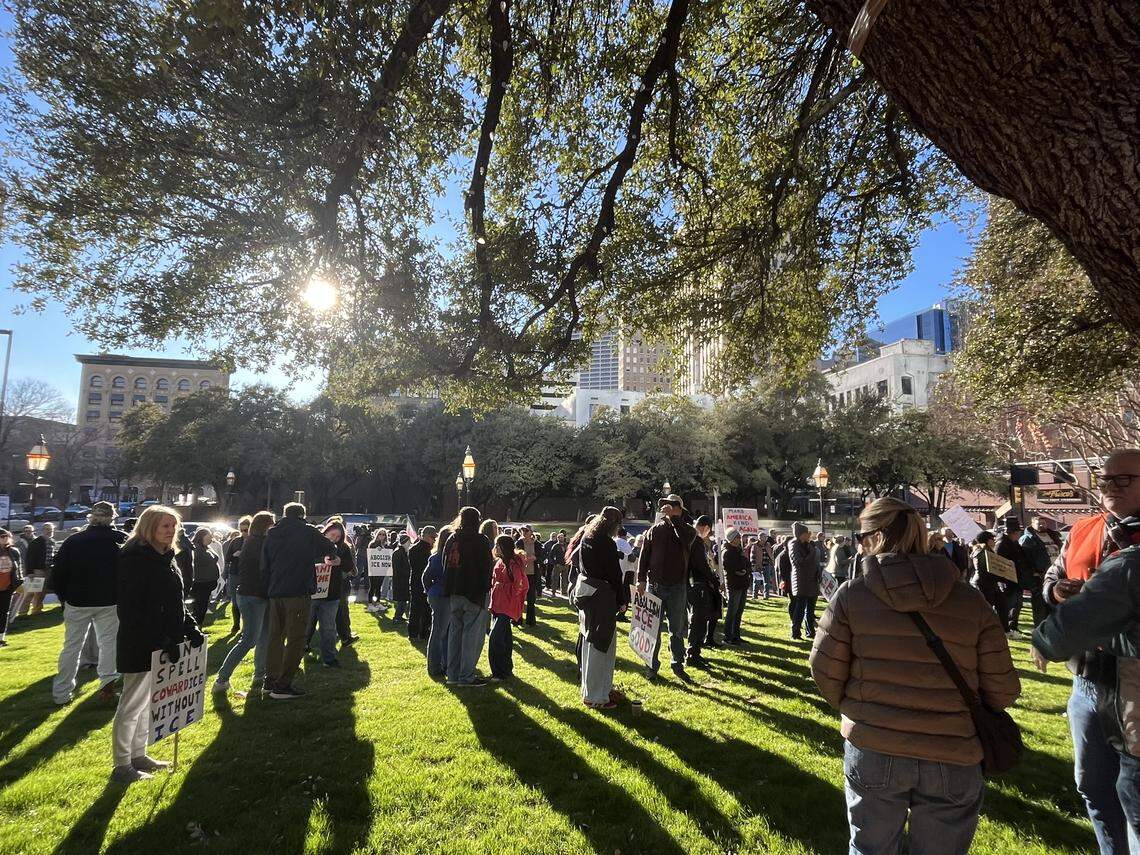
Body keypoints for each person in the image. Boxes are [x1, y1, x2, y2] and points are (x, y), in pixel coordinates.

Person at [809, 497, 1020, 854]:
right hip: (953, 750)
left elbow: (823, 669)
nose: (859, 546)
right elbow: (1003, 690)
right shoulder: (970, 601)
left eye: (861, 537)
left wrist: (857, 708)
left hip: (875, 745)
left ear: (876, 537)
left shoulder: (852, 596)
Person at [1040, 449, 1140, 853]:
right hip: (1087, 681)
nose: (1111, 487)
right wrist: (1056, 590)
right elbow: (1054, 572)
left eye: (1124, 479)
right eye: (1105, 480)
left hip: (1134, 681)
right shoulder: (1083, 529)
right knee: (1094, 788)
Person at [112, 505, 204, 784]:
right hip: (141, 644)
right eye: (165, 526)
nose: (171, 531)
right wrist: (160, 639)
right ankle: (121, 764)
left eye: (174, 526)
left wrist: (189, 627)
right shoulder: (134, 559)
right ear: (149, 527)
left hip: (165, 644)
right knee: (131, 705)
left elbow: (175, 601)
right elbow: (132, 610)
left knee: (146, 704)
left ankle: (139, 755)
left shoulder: (167, 558)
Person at [51, 502, 126, 705]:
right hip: (109, 600)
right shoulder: (120, 540)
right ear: (112, 518)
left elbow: (58, 572)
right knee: (108, 644)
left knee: (72, 646)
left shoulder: (74, 541)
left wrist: (63, 597)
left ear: (91, 518)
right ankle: (107, 687)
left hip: (78, 599)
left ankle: (62, 692)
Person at [261, 502, 338, 699]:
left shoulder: (272, 533)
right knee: (296, 638)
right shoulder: (307, 531)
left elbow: (265, 565)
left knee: (275, 637)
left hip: (275, 591)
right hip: (297, 590)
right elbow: (330, 546)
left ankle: (270, 680)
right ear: (303, 515)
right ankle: (282, 685)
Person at [213, 511, 275, 696]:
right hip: (254, 595)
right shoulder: (260, 544)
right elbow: (265, 570)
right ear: (265, 526)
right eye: (271, 524)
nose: (273, 527)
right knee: (249, 639)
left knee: (264, 635)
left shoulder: (251, 541)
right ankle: (222, 679)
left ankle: (259, 674)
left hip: (253, 594)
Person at [636, 494, 695, 680]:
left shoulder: (688, 530)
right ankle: (651, 666)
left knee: (676, 630)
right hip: (655, 586)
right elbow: (644, 556)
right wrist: (640, 579)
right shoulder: (654, 530)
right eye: (664, 506)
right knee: (652, 629)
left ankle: (678, 664)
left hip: (678, 587)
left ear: (679, 508)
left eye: (671, 506)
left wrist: (675, 520)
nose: (666, 509)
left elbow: (685, 539)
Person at [576, 507, 629, 709]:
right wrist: (622, 600)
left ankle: (598, 691)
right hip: (601, 596)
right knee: (601, 646)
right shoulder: (605, 542)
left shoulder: (587, 537)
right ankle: (596, 696)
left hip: (587, 592)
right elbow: (615, 575)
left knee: (591, 643)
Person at [444, 507, 493, 687]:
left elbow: (445, 564)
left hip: (454, 591)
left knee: (455, 635)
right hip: (474, 594)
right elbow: (486, 568)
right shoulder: (481, 540)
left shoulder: (452, 538)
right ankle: (466, 676)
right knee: (471, 637)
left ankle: (453, 675)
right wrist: (484, 589)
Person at [307, 520, 351, 668]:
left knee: (328, 628)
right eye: (332, 534)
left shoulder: (343, 548)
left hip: (331, 594)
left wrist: (339, 561)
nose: (334, 538)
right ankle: (302, 648)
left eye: (338, 537)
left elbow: (350, 566)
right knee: (307, 625)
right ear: (325, 532)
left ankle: (329, 658)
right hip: (312, 592)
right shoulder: (313, 544)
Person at [488, 534, 528, 681]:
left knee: (495, 638)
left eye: (498, 545)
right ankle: (505, 670)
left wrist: (503, 589)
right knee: (505, 638)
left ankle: (499, 672)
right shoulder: (500, 562)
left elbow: (521, 586)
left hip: (507, 606)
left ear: (504, 547)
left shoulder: (514, 564)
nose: (495, 548)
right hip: (498, 605)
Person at [686, 518, 722, 668]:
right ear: (706, 527)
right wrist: (714, 580)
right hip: (699, 585)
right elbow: (701, 565)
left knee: (699, 621)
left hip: (696, 584)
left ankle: (696, 652)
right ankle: (693, 654)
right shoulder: (696, 540)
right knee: (698, 622)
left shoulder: (692, 538)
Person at [995, 517, 1033, 639]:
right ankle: (1004, 628)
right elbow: (999, 563)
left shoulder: (1013, 543)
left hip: (1016, 580)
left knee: (1017, 604)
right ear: (1014, 532)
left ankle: (1012, 626)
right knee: (1007, 605)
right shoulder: (1002, 544)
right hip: (1007, 580)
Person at [423, 526, 451, 677]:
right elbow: (425, 578)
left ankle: (444, 664)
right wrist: (431, 592)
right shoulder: (443, 557)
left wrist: (429, 591)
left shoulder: (435, 557)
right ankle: (434, 667)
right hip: (441, 596)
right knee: (439, 633)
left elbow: (426, 577)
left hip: (437, 594)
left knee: (443, 632)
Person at [787, 522, 821, 640]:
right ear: (801, 535)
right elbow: (799, 562)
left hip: (812, 580)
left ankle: (810, 631)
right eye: (807, 533)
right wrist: (812, 553)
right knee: (800, 608)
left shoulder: (809, 545)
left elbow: (814, 562)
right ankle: (795, 632)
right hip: (801, 581)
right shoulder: (793, 545)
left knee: (811, 609)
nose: (809, 535)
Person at [1019, 516, 1054, 627]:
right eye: (1038, 523)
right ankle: (1040, 629)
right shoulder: (1028, 539)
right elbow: (1023, 559)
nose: (1041, 525)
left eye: (1043, 523)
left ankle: (1052, 628)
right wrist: (1033, 572)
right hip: (1039, 577)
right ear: (1032, 525)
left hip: (1055, 574)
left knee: (1053, 602)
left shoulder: (1053, 536)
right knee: (1040, 605)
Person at [15, 521, 55, 617]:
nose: (49, 531)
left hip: (47, 570)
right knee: (30, 591)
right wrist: (30, 572)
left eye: (51, 529)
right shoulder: (36, 542)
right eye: (47, 529)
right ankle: (22, 612)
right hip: (37, 570)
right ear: (42, 530)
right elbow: (29, 558)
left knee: (41, 592)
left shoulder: (52, 542)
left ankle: (37, 610)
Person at [222, 516, 251, 634]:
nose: (244, 533)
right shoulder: (236, 541)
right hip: (235, 572)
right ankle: (236, 625)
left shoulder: (254, 541)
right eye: (242, 530)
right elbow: (227, 558)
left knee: (246, 602)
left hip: (248, 574)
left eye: (246, 530)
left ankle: (246, 626)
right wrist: (235, 555)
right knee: (235, 601)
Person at [722, 528, 750, 644]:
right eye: (737, 537)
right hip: (734, 584)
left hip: (743, 583)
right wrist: (740, 570)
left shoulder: (739, 550)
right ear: (732, 539)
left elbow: (747, 564)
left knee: (739, 611)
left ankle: (736, 635)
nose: (740, 539)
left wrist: (746, 570)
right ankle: (728, 636)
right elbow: (730, 567)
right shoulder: (727, 552)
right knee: (732, 611)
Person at [407, 527, 435, 641]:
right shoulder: (429, 551)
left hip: (414, 581)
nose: (434, 540)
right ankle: (424, 632)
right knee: (426, 609)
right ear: (428, 536)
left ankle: (413, 632)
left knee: (414, 608)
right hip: (425, 582)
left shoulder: (412, 549)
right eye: (433, 537)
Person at [188, 528, 220, 628]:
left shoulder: (206, 547)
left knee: (202, 605)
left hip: (207, 583)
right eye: (209, 536)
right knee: (200, 606)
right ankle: (197, 625)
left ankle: (198, 624)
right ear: (202, 537)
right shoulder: (197, 549)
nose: (211, 538)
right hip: (201, 583)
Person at [0, 528, 23, 648]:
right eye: (2, 536)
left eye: (6, 536)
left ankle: (1, 639)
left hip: (7, 587)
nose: (5, 538)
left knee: (4, 613)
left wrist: (19, 583)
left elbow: (18, 569)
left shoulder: (14, 551)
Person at [516, 525, 539, 626]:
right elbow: (516, 556)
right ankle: (517, 620)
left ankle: (531, 621)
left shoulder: (537, 544)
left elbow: (541, 556)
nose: (524, 532)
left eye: (526, 530)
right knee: (519, 597)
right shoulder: (519, 543)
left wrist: (535, 558)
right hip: (521, 574)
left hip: (532, 574)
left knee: (531, 599)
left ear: (531, 532)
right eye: (522, 530)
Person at [365, 528, 390, 613]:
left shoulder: (386, 545)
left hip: (382, 569)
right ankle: (370, 604)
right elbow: (370, 556)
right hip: (373, 569)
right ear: (377, 535)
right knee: (373, 586)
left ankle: (378, 602)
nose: (382, 536)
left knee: (379, 586)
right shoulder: (372, 544)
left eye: (383, 534)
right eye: (380, 534)